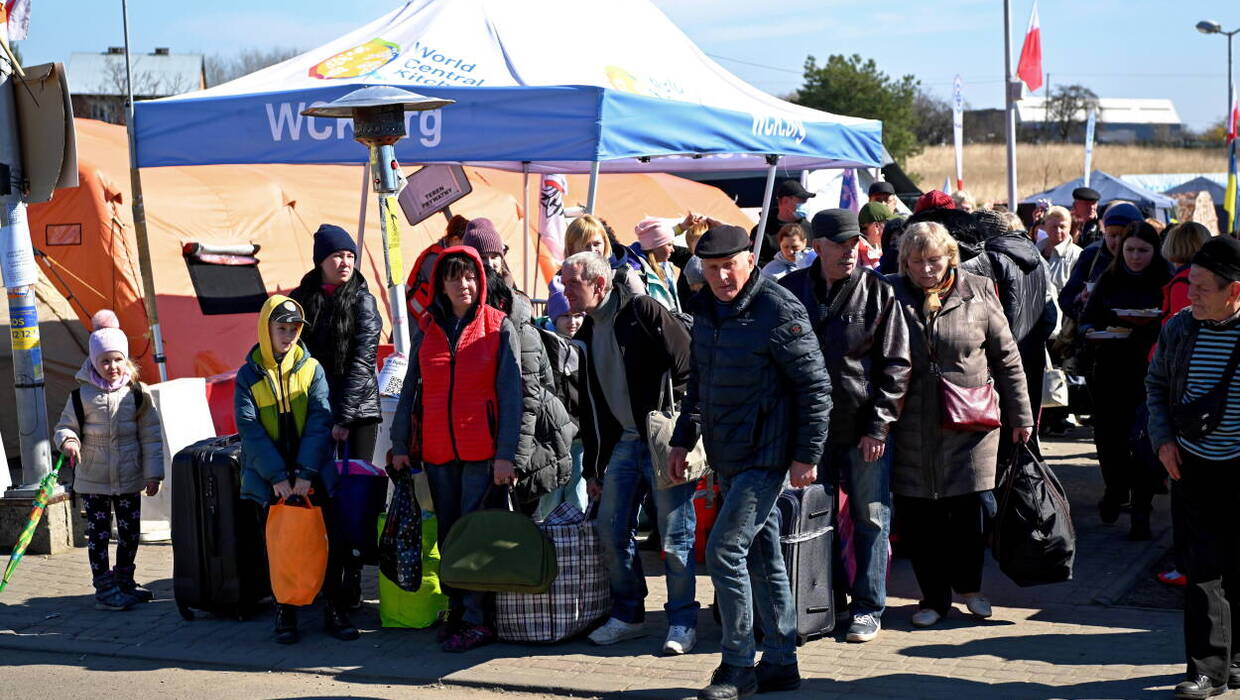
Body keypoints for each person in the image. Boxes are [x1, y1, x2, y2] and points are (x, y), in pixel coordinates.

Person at [668, 225, 832, 699]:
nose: (722, 277)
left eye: (729, 266)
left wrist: (806, 455)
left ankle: (738, 664)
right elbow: (699, 382)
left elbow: (815, 387)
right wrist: (683, 440)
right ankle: (781, 661)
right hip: (728, 453)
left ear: (749, 260)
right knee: (763, 554)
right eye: (713, 269)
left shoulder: (777, 308)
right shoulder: (705, 310)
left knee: (724, 550)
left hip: (767, 454)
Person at [889, 222, 1033, 629]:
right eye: (916, 262)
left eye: (933, 260)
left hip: (972, 422)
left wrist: (1021, 416)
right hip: (912, 423)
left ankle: (971, 588)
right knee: (919, 517)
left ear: (949, 257)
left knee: (969, 512)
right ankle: (933, 598)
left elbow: (1007, 359)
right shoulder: (890, 292)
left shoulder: (979, 290)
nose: (926, 270)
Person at [779, 209, 911, 644]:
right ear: (817, 246)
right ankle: (824, 604)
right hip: (809, 432)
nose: (850, 251)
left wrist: (879, 427)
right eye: (840, 244)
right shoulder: (791, 290)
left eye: (855, 243)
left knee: (870, 516)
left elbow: (896, 367)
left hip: (863, 429)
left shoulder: (878, 293)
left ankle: (869, 607)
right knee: (816, 520)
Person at [559, 251, 700, 655]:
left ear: (599, 285)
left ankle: (682, 621)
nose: (564, 290)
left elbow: (691, 365)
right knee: (611, 530)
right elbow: (590, 407)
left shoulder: (643, 311)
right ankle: (629, 615)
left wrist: (682, 435)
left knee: (676, 538)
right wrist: (593, 469)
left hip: (662, 445)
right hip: (621, 445)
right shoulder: (586, 332)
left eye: (572, 283)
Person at [390, 248, 523, 652]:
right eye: (453, 277)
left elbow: (512, 395)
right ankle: (456, 609)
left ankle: (477, 619)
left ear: (480, 280)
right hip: (437, 451)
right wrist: (399, 444)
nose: (462, 285)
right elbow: (410, 389)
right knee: (449, 534)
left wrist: (507, 454)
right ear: (441, 285)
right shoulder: (427, 329)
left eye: (469, 277)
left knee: (474, 535)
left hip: (482, 452)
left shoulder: (498, 326)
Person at [1146, 236, 1240, 700]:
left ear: (1234, 291)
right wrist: (1162, 440)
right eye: (1190, 285)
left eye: (1203, 288)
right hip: (1192, 464)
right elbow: (1156, 383)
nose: (1191, 296)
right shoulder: (1181, 327)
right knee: (1201, 568)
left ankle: (1235, 660)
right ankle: (1207, 670)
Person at [234, 295, 341, 644]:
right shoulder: (248, 376)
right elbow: (249, 429)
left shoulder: (313, 369)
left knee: (327, 543)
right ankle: (285, 611)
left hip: (313, 472)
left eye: (294, 329)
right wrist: (278, 477)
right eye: (282, 328)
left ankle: (333, 607)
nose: (289, 335)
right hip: (270, 477)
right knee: (280, 547)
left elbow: (320, 422)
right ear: (267, 329)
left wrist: (306, 473)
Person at [288, 224, 382, 610]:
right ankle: (323, 576)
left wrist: (341, 417)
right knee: (318, 495)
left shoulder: (363, 299)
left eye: (349, 255)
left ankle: (351, 580)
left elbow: (363, 361)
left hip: (356, 414)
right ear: (320, 261)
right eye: (336, 256)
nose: (344, 262)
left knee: (351, 499)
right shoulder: (301, 299)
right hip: (314, 413)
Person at [54, 311, 163, 612]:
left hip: (129, 477)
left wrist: (154, 474)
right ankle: (104, 587)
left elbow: (151, 438)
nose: (112, 366)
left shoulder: (138, 395)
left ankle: (125, 580)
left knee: (129, 532)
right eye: (104, 361)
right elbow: (65, 427)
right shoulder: (82, 396)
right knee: (99, 537)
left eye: (117, 359)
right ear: (93, 362)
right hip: (93, 479)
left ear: (125, 360)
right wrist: (68, 441)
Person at [464, 218, 574, 509]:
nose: (489, 264)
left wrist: (516, 458)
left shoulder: (516, 314)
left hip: (515, 442)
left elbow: (528, 393)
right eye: (481, 257)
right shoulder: (457, 313)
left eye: (494, 256)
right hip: (474, 440)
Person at [1079, 221, 1172, 539]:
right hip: (1109, 369)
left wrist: (1152, 323)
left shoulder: (1165, 279)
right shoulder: (1110, 278)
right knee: (1108, 439)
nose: (1135, 256)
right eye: (1130, 249)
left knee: (1145, 443)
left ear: (1154, 251)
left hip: (1150, 372)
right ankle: (1115, 489)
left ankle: (1141, 514)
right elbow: (1087, 317)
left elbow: (1174, 322)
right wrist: (1090, 331)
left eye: (1142, 250)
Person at [1152, 221, 1214, 590]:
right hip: (1191, 427)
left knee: (1188, 502)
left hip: (1195, 423)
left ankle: (1187, 564)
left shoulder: (1183, 288)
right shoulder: (1192, 299)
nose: (1193, 296)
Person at [532, 290, 588, 520]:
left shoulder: (587, 343)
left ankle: (577, 535)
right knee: (550, 490)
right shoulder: (542, 343)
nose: (573, 322)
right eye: (565, 316)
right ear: (554, 317)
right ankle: (548, 540)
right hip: (550, 434)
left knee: (578, 487)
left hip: (580, 432)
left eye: (578, 315)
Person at [1059, 201, 1143, 328]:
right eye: (1113, 235)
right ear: (1105, 233)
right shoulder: (1091, 255)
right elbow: (1066, 298)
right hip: (1095, 340)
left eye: (1124, 236)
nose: (1118, 242)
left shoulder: (1150, 258)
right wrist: (1081, 299)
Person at [560, 214, 644, 296]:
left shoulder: (624, 276)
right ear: (572, 249)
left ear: (605, 243)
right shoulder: (561, 280)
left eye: (596, 244)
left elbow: (643, 307)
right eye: (586, 245)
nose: (592, 250)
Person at [407, 214, 469, 321]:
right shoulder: (434, 259)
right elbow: (445, 291)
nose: (468, 247)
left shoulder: (447, 255)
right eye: (465, 242)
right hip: (414, 318)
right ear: (455, 239)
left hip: (425, 316)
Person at [751, 179, 813, 267]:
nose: (804, 205)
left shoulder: (810, 228)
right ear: (785, 201)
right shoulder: (762, 231)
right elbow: (755, 262)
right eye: (801, 201)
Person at [632, 217, 683, 312]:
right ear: (656, 246)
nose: (673, 249)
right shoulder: (638, 272)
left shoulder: (664, 266)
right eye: (669, 245)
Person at [1037, 206, 1083, 297]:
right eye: (1054, 227)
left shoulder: (1078, 255)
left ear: (1069, 227)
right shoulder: (1035, 250)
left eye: (1062, 227)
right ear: (1045, 227)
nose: (1058, 231)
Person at [857, 202, 895, 269]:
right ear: (876, 226)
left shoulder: (858, 246)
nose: (891, 228)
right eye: (888, 224)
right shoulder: (859, 253)